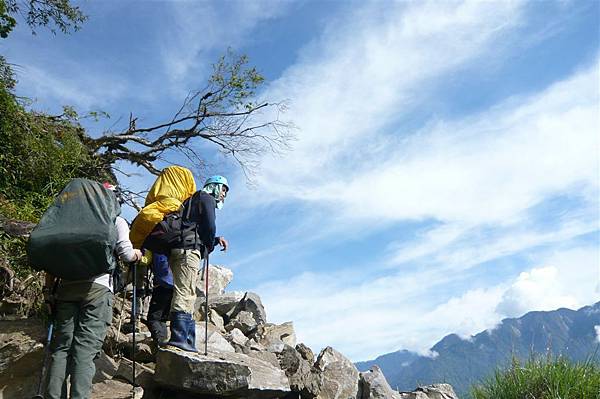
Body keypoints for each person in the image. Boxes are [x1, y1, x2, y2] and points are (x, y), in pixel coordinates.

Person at [44, 184, 142, 399]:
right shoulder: (115, 221)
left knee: (61, 349)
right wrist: (138, 254)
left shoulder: (68, 221)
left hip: (66, 288)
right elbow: (125, 254)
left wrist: (48, 292)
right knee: (85, 350)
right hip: (97, 289)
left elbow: (50, 259)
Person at [165, 175, 229, 352]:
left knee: (187, 291)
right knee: (185, 292)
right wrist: (210, 243)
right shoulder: (206, 198)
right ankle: (179, 338)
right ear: (215, 186)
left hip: (180, 247)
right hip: (189, 250)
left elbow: (195, 227)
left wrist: (214, 241)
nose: (224, 194)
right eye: (223, 189)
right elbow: (209, 225)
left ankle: (187, 340)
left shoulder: (191, 200)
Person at [145, 252, 173, 345]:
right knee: (162, 319)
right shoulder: (175, 244)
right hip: (174, 286)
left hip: (162, 285)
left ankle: (160, 342)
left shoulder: (158, 247)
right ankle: (163, 342)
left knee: (153, 318)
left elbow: (147, 260)